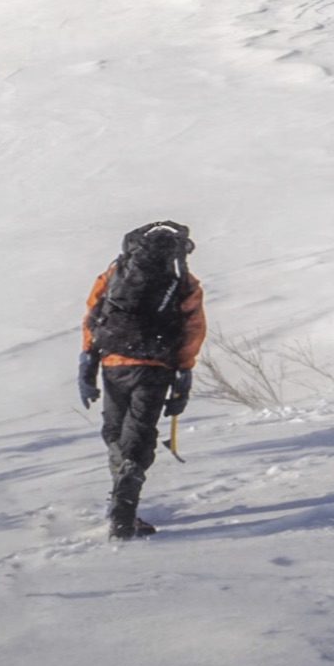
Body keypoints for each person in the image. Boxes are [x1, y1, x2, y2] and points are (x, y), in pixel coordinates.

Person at [78, 220, 205, 539]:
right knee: (139, 437)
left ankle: (119, 500)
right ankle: (123, 514)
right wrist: (183, 370)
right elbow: (193, 329)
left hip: (113, 363)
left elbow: (92, 316)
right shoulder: (182, 281)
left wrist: (87, 364)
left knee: (115, 431)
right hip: (154, 367)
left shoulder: (113, 274)